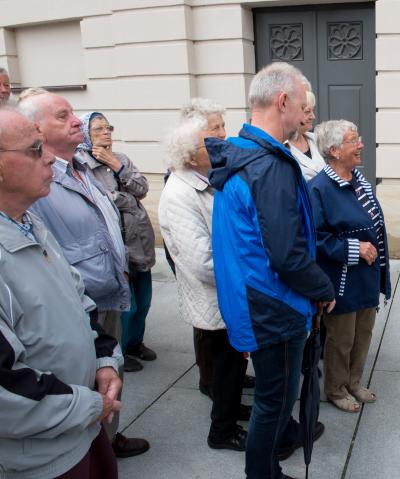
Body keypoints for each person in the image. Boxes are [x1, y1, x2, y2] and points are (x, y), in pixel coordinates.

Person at [207, 61, 335, 479]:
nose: (305, 114)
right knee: (274, 403)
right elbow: (287, 255)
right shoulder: (268, 165)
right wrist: (323, 287)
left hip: (254, 303)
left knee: (271, 400)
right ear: (283, 101)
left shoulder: (243, 154)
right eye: (301, 104)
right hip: (273, 309)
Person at [17, 91, 149, 458]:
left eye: (74, 113)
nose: (77, 120)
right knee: (84, 375)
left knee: (111, 367)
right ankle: (94, 443)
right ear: (36, 129)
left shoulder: (82, 164)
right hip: (80, 301)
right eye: (64, 116)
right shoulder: (38, 181)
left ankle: (107, 435)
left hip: (106, 290)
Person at [0, 108, 123, 479]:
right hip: (40, 458)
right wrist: (89, 405)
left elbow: (78, 299)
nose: (50, 157)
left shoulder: (29, 221)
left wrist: (103, 359)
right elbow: (7, 389)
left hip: (80, 433)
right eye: (36, 149)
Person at [158, 117, 250, 452]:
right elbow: (203, 263)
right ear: (189, 156)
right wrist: (246, 274)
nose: (220, 145)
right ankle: (222, 431)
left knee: (235, 362)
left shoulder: (207, 179)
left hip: (228, 292)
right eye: (208, 144)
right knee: (225, 365)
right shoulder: (179, 194)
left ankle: (232, 409)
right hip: (216, 297)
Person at [309, 120, 391, 413]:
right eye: (353, 140)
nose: (361, 145)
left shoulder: (358, 179)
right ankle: (335, 388)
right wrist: (354, 248)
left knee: (363, 333)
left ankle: (354, 382)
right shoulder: (318, 188)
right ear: (333, 150)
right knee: (341, 339)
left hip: (367, 275)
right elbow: (315, 238)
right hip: (341, 277)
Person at [77, 111, 157, 373]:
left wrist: (118, 166)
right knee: (126, 303)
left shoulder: (121, 159)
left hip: (138, 241)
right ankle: (119, 348)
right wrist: (128, 200)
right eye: (98, 129)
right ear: (86, 135)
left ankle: (135, 342)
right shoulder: (81, 164)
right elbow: (100, 198)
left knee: (143, 300)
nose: (106, 133)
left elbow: (142, 188)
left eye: (108, 127)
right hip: (115, 245)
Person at [287, 90, 324, 180]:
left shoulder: (317, 139)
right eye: (307, 111)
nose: (313, 116)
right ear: (292, 114)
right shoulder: (282, 147)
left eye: (313, 110)